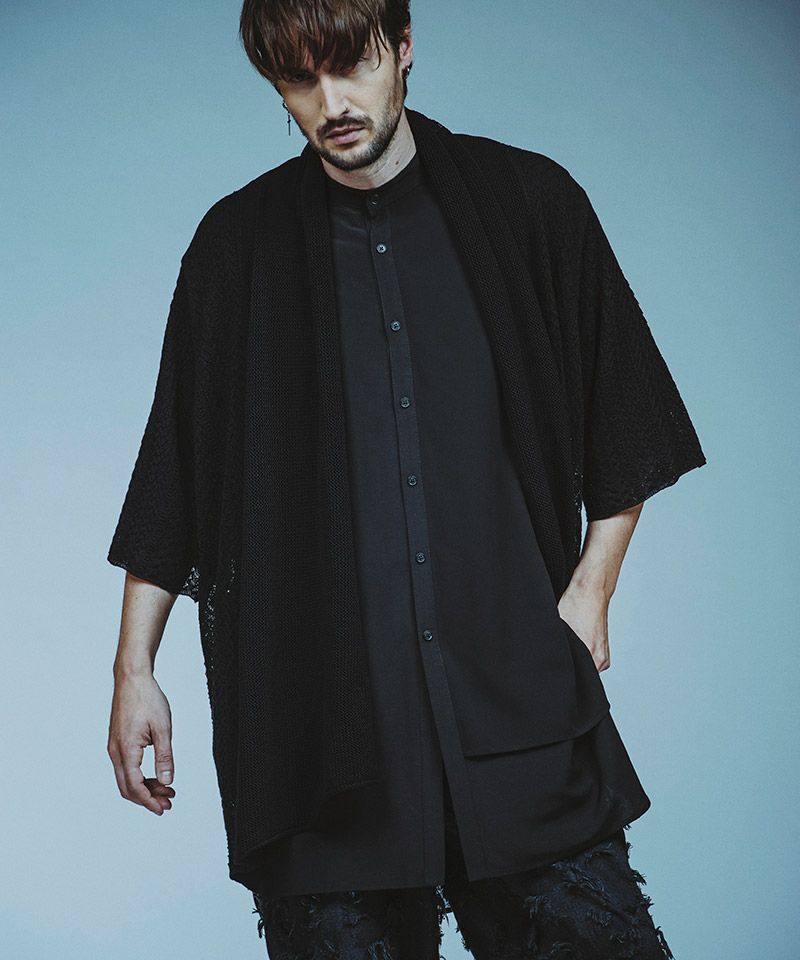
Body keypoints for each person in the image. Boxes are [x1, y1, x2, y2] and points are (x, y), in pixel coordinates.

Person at [106, 1, 706, 956]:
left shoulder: (529, 202)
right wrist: (133, 670)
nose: (332, 102)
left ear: (404, 46)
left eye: (351, 64)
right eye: (300, 80)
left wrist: (591, 591)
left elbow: (624, 408)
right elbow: (176, 469)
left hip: (515, 696)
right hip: (319, 728)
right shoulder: (237, 247)